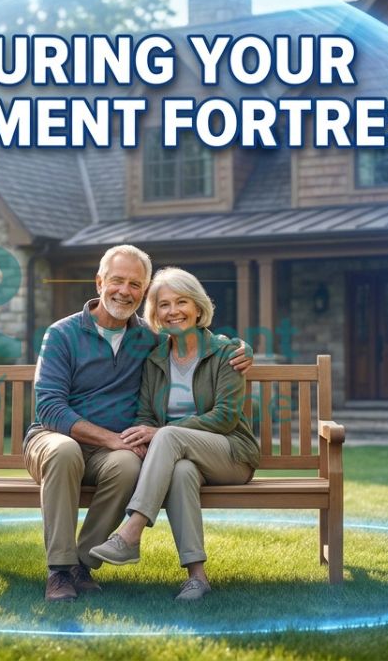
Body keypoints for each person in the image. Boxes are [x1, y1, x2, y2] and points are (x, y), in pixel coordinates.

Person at [26, 245, 252, 602]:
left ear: (143, 291)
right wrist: (110, 438)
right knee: (66, 451)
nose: (124, 291)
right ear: (99, 282)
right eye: (117, 280)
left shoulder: (149, 338)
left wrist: (241, 347)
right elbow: (49, 407)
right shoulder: (61, 334)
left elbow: (196, 339)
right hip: (55, 437)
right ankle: (58, 571)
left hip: (114, 448)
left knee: (129, 464)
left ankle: (82, 564)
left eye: (135, 284)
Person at [88, 267, 259, 601]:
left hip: (230, 455)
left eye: (181, 302)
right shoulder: (155, 359)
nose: (173, 311)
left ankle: (131, 532)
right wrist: (139, 437)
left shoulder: (227, 353)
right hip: (182, 459)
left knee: (166, 436)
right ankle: (196, 576)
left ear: (198, 308)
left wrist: (163, 432)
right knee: (179, 470)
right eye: (164, 305)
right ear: (156, 314)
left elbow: (225, 418)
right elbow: (146, 416)